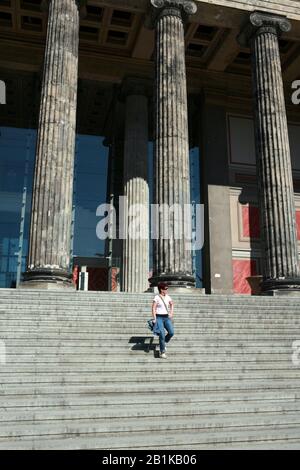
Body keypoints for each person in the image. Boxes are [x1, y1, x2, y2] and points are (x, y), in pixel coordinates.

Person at [152, 282, 174, 359]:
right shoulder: (157, 297)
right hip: (159, 318)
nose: (167, 290)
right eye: (165, 288)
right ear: (161, 289)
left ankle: (162, 343)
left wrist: (171, 312)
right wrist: (154, 318)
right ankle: (162, 352)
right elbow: (153, 308)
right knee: (162, 334)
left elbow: (172, 304)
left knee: (171, 332)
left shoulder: (168, 297)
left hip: (166, 317)